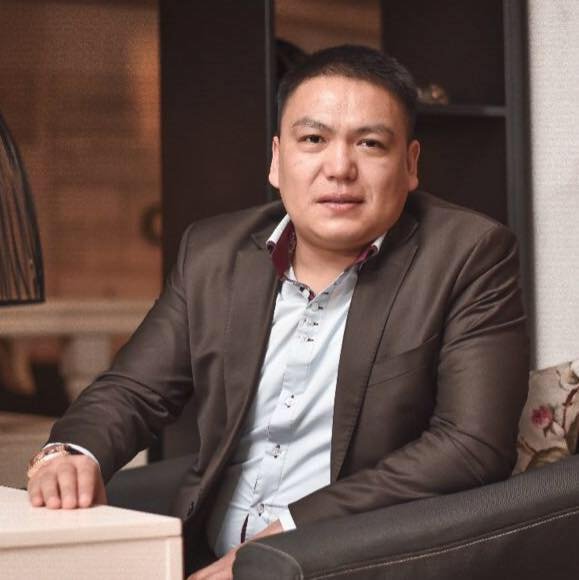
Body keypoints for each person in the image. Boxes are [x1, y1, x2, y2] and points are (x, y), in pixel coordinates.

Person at [26, 45, 529, 579]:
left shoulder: (469, 254)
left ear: (409, 164)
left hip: (349, 562)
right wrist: (71, 452)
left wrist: (288, 536)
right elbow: (133, 390)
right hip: (201, 557)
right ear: (276, 158)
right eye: (313, 139)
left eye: (370, 144)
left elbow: (471, 446)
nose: (340, 168)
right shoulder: (213, 253)